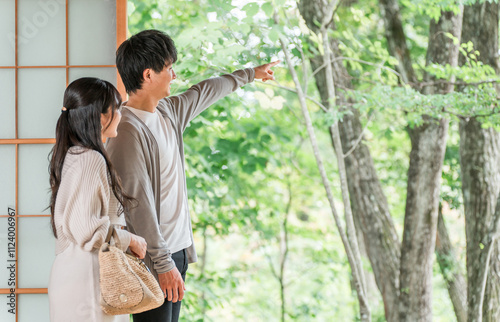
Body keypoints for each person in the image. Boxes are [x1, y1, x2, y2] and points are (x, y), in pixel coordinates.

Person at [106, 29, 279, 322]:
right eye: (169, 69)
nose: (173, 76)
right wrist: (162, 264)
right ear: (148, 75)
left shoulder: (169, 112)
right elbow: (137, 203)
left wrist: (250, 74)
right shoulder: (126, 131)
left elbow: (207, 90)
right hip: (154, 259)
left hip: (178, 251)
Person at [48, 77, 148, 322]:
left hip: (74, 275)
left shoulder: (73, 155)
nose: (121, 115)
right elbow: (87, 230)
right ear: (103, 117)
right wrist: (130, 239)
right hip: (88, 277)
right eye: (118, 109)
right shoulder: (91, 159)